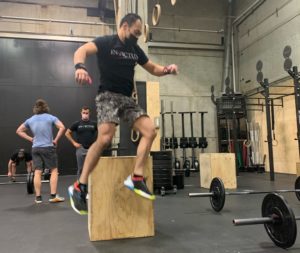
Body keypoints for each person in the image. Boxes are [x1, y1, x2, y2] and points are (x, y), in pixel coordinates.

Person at [68, 13, 178, 215]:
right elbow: (81, 50)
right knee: (105, 138)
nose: (137, 37)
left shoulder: (134, 49)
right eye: (135, 33)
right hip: (107, 95)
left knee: (150, 131)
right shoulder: (106, 42)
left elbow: (152, 67)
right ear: (125, 26)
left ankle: (136, 178)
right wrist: (80, 67)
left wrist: (167, 70)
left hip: (127, 99)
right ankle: (79, 186)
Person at [16, 99, 66, 204]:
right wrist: (56, 140)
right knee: (53, 170)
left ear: (35, 108)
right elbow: (62, 127)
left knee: (37, 172)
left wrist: (31, 139)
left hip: (35, 148)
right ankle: (52, 196)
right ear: (46, 107)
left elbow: (19, 131)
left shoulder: (30, 120)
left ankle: (38, 198)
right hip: (48, 147)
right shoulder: (51, 117)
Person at [65, 106, 97, 178]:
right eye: (84, 113)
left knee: (92, 168)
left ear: (89, 113)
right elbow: (67, 133)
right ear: (81, 113)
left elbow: (102, 132)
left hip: (91, 149)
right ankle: (80, 186)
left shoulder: (94, 124)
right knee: (81, 169)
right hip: (80, 149)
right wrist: (74, 143)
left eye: (87, 113)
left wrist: (97, 143)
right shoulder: (77, 124)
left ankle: (91, 186)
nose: (85, 114)